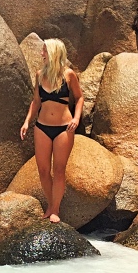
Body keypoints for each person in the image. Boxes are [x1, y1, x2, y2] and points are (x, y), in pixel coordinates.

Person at [18, 38, 83, 223]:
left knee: (59, 170)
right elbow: (36, 102)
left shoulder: (69, 75)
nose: (41, 54)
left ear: (54, 52)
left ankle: (55, 209)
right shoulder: (39, 74)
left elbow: (79, 98)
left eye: (44, 50)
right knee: (43, 170)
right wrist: (26, 122)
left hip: (64, 128)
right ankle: (51, 204)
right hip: (42, 127)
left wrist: (77, 118)